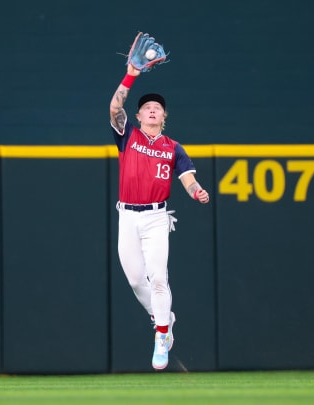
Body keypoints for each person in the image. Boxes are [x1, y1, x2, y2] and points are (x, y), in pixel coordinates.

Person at [109, 61, 210, 370]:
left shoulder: (174, 148)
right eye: (147, 107)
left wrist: (196, 191)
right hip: (128, 216)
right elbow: (114, 107)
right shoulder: (128, 136)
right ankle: (162, 316)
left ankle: (162, 334)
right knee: (136, 279)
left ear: (164, 116)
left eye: (157, 108)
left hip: (156, 217)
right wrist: (131, 75)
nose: (152, 110)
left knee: (158, 277)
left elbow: (188, 179)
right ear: (138, 116)